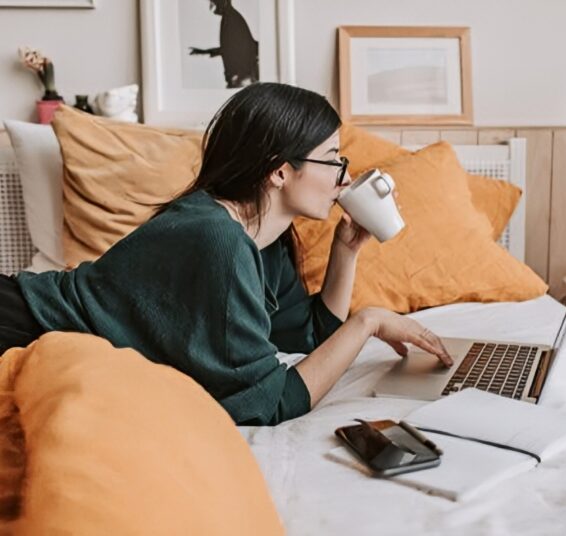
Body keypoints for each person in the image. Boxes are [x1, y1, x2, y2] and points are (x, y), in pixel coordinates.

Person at [0, 83, 452, 426]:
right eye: (333, 158)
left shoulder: (265, 239)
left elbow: (307, 340)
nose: (343, 176)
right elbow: (269, 402)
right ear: (280, 171)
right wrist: (368, 321)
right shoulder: (216, 239)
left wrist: (346, 253)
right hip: (20, 326)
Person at [189, 0, 259, 88]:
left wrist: (238, 75)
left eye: (213, 2)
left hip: (242, 77)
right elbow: (230, 48)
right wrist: (204, 52)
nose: (211, 7)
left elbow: (244, 47)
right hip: (240, 76)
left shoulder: (231, 19)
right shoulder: (230, 17)